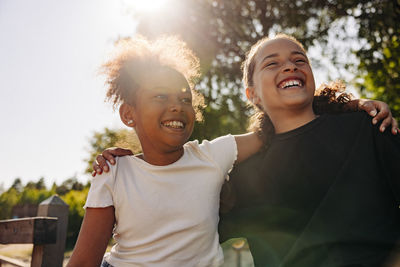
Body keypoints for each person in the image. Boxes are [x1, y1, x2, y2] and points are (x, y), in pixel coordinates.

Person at [93, 34, 400, 267]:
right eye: (272, 63)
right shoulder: (243, 175)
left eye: (299, 59)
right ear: (251, 93)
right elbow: (177, 219)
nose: (289, 65)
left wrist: (355, 105)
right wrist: (135, 164)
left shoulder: (368, 127)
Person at [68, 35, 264, 267]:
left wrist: (315, 101)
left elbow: (271, 132)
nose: (176, 106)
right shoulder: (113, 171)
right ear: (129, 114)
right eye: (160, 96)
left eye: (185, 99)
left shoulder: (210, 156)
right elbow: (83, 262)